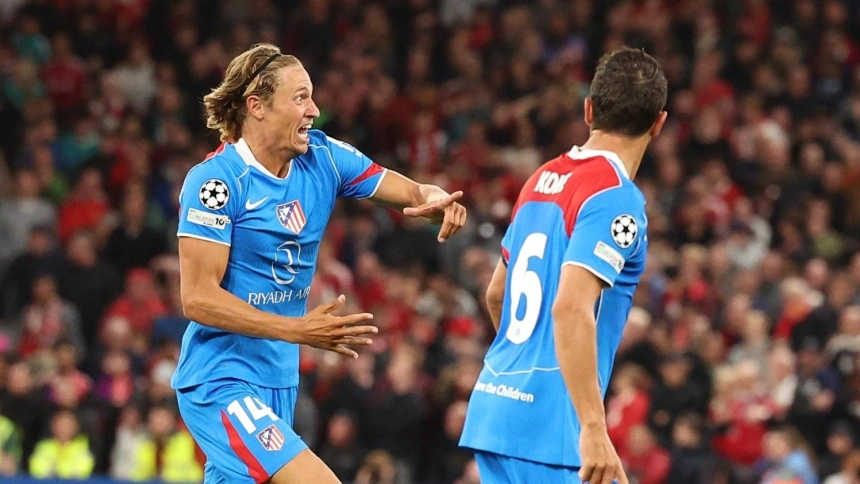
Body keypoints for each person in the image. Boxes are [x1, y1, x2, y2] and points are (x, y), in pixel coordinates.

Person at [173, 43, 467, 484]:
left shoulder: (324, 158)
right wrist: (295, 330)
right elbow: (197, 299)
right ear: (256, 107)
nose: (313, 109)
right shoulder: (216, 183)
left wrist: (432, 197)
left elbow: (406, 190)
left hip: (279, 380)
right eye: (299, 97)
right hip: (221, 380)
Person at [459, 47, 668, 484]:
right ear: (658, 123)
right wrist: (592, 427)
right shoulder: (616, 197)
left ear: (589, 109)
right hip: (554, 433)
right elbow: (570, 307)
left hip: (496, 412)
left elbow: (497, 294)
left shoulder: (540, 179)